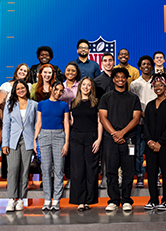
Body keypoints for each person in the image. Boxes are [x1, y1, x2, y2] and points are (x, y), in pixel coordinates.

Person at [99, 68, 141, 212]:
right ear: (113, 79)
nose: (120, 79)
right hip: (110, 140)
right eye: (117, 77)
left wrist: (122, 133)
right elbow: (103, 117)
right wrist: (114, 134)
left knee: (128, 170)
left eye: (123, 77)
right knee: (111, 170)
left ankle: (126, 200)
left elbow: (136, 118)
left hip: (129, 139)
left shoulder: (133, 98)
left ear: (126, 79)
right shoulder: (106, 97)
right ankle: (113, 200)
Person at [143, 73, 166, 211]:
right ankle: (153, 199)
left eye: (160, 85)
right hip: (150, 145)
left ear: (165, 86)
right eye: (155, 85)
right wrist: (150, 141)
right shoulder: (150, 105)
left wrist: (160, 142)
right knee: (151, 173)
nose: (158, 87)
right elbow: (145, 125)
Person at [2, 79, 38, 212]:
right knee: (13, 169)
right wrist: (4, 143)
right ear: (14, 91)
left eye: (22, 88)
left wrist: (36, 142)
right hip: (13, 141)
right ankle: (12, 198)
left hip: (28, 141)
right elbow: (6, 125)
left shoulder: (34, 104)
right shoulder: (9, 105)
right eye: (18, 89)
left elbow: (36, 125)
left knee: (24, 171)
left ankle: (21, 199)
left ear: (26, 89)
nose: (20, 90)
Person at [34, 81, 70, 211]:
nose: (58, 93)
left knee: (59, 169)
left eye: (61, 91)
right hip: (43, 136)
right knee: (46, 169)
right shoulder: (41, 104)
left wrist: (66, 142)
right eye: (56, 90)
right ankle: (47, 199)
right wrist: (35, 140)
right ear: (51, 89)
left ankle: (56, 200)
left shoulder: (64, 105)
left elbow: (66, 124)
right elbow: (38, 123)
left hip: (59, 136)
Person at [69, 77, 102, 211]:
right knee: (77, 169)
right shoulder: (73, 102)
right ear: (80, 86)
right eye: (84, 85)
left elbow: (100, 122)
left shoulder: (96, 102)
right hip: (76, 138)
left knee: (91, 169)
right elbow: (71, 121)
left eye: (89, 85)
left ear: (91, 88)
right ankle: (79, 201)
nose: (86, 87)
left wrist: (99, 139)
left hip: (92, 137)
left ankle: (89, 200)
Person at [0, 63, 31, 181]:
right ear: (16, 70)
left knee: (24, 166)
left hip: (25, 128)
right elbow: (1, 107)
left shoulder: (29, 87)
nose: (22, 72)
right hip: (10, 126)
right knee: (11, 164)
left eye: (25, 71)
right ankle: (11, 188)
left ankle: (21, 190)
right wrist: (3, 126)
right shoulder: (6, 85)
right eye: (21, 69)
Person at [129, 55, 157, 188]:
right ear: (139, 67)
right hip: (139, 122)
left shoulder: (157, 82)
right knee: (138, 152)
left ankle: (156, 176)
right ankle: (139, 176)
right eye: (143, 64)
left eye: (148, 64)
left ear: (152, 66)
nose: (146, 66)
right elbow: (132, 104)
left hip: (154, 123)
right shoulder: (134, 84)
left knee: (155, 150)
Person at [94, 52, 115, 189]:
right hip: (102, 120)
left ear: (113, 62)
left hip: (118, 119)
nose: (108, 63)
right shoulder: (97, 81)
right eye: (105, 60)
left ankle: (117, 176)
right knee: (104, 151)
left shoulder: (119, 78)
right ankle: (104, 177)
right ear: (102, 63)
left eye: (110, 60)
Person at [59, 62, 81, 190]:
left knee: (73, 152)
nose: (71, 72)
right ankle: (61, 178)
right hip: (61, 123)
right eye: (68, 70)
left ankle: (72, 178)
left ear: (77, 72)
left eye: (73, 70)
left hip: (75, 122)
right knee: (62, 152)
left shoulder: (80, 86)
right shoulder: (60, 86)